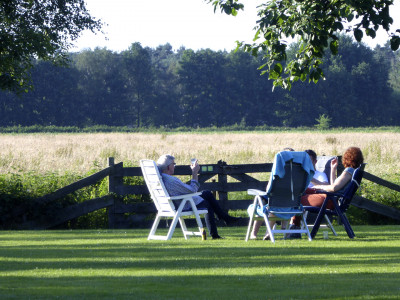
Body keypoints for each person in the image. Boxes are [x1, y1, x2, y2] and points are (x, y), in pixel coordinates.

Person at [156, 154, 240, 239]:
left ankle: (223, 217)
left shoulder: (162, 178)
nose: (174, 166)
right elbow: (193, 189)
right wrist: (194, 172)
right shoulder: (172, 180)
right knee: (207, 205)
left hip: (175, 202)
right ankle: (217, 230)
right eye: (173, 164)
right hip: (183, 204)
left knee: (207, 193)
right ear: (168, 167)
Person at [291, 146, 364, 228]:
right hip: (331, 198)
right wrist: (333, 169)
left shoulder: (349, 171)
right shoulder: (352, 171)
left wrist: (319, 187)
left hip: (329, 200)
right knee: (298, 195)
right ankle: (295, 227)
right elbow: (333, 186)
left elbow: (333, 188)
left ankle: (294, 228)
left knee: (296, 200)